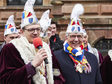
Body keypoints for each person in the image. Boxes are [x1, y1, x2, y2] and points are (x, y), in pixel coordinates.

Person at [0, 0, 54, 84]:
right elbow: (6, 79)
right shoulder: (10, 48)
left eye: (38, 29)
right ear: (21, 32)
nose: (35, 32)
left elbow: (57, 74)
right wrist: (31, 65)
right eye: (31, 29)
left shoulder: (45, 47)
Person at [52, 4, 102, 84]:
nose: (76, 39)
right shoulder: (56, 57)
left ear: (83, 38)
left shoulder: (92, 58)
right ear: (66, 37)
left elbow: (98, 81)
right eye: (72, 36)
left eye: (79, 36)